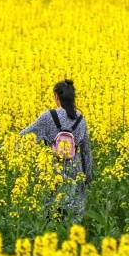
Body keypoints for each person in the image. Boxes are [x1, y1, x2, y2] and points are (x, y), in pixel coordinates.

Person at [20, 80, 93, 223]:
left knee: (50, 213)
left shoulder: (47, 117)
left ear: (56, 97)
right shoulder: (81, 119)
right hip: (74, 171)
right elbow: (86, 152)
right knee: (72, 215)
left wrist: (0, 150)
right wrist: (87, 177)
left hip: (51, 171)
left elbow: (24, 138)